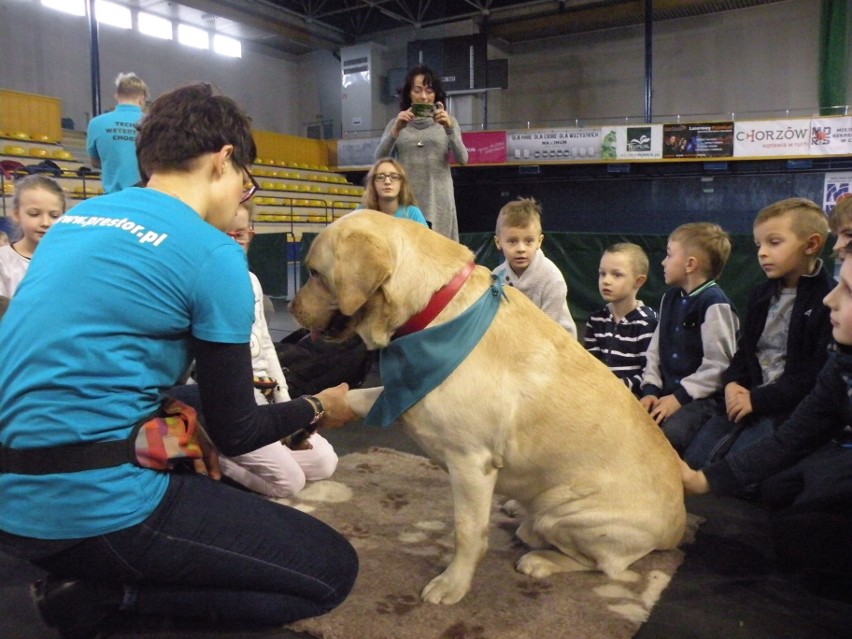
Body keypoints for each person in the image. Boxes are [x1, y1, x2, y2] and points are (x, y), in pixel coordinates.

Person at [0, 83, 358, 638]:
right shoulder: (213, 253)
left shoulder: (78, 221)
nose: (243, 195)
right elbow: (238, 430)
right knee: (332, 571)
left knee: (194, 404)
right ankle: (103, 595)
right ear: (224, 160)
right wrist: (315, 405)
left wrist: (183, 421)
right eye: (246, 183)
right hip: (85, 509)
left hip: (11, 487)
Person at [681, 254, 852, 600]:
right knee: (791, 523)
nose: (829, 299)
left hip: (789, 415)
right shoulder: (842, 364)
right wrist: (703, 480)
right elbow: (792, 439)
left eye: (848, 291)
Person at [174, 202, 340, 498]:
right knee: (288, 483)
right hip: (228, 409)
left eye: (241, 234)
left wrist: (286, 406)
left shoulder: (251, 281)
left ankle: (260, 458)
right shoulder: (197, 282)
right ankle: (214, 453)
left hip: (264, 401)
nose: (234, 241)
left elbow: (265, 345)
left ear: (251, 233)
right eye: (225, 234)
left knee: (325, 463)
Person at [682, 198, 834, 468]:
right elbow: (744, 351)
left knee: (750, 473)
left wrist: (759, 399)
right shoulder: (760, 295)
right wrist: (732, 383)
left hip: (787, 407)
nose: (762, 252)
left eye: (774, 243)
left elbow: (815, 374)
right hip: (747, 398)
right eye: (758, 245)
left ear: (811, 245)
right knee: (697, 459)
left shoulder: (828, 299)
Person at [639, 222, 739, 452]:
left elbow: (718, 367)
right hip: (666, 393)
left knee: (668, 437)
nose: (663, 262)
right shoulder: (670, 297)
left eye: (669, 255)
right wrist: (651, 390)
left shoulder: (714, 303)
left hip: (701, 401)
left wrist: (679, 398)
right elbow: (655, 350)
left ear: (690, 264)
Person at [374, 65, 468, 240]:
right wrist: (395, 131)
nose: (423, 96)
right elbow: (378, 160)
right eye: (417, 90)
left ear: (436, 95)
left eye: (429, 91)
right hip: (406, 199)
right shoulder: (396, 123)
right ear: (409, 93)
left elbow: (463, 159)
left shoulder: (450, 123)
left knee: (440, 252)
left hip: (439, 199)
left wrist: (449, 129)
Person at [491, 197, 577, 337]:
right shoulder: (496, 277)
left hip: (555, 343)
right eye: (512, 241)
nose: (521, 249)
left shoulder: (553, 280)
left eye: (529, 241)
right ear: (498, 242)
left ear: (539, 241)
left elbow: (548, 330)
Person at [584, 242, 658, 396]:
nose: (606, 281)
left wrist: (616, 386)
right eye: (602, 273)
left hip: (631, 401)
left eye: (617, 275)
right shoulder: (596, 320)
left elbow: (650, 374)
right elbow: (589, 365)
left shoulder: (647, 322)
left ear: (638, 281)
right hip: (598, 395)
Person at [0, 174, 65, 298]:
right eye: (34, 214)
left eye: (54, 216)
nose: (45, 223)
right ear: (17, 215)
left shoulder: (70, 259)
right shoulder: (3, 261)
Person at [86, 72, 148, 193]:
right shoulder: (152, 122)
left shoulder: (96, 123)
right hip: (146, 196)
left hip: (112, 197)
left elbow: (94, 161)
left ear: (117, 96)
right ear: (142, 98)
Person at [358, 157, 428, 227]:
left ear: (402, 183)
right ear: (373, 183)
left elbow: (426, 237)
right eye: (380, 177)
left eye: (394, 177)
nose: (387, 182)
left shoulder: (412, 213)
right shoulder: (361, 212)